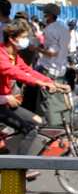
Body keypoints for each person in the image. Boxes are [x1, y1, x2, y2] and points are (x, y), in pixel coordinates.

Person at [1, 19, 71, 166]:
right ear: (13, 39)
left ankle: (10, 152)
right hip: (2, 103)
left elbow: (28, 71)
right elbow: (15, 73)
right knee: (30, 130)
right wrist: (40, 83)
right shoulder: (2, 56)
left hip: (7, 102)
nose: (27, 40)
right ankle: (19, 168)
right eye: (24, 37)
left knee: (38, 121)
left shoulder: (15, 56)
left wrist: (54, 83)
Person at [37, 3, 71, 83]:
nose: (42, 15)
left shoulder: (50, 29)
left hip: (49, 69)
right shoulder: (64, 28)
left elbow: (52, 53)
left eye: (44, 13)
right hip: (61, 69)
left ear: (49, 15)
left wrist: (36, 49)